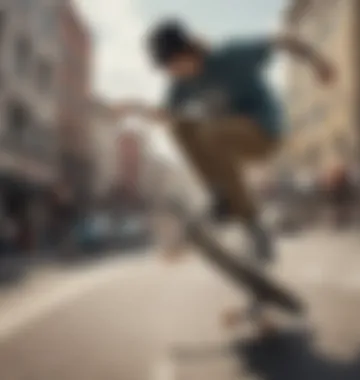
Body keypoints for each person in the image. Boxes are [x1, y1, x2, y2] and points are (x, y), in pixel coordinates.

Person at [135, 19, 335, 332]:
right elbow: (169, 117)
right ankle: (237, 211)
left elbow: (282, 40)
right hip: (227, 138)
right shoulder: (179, 85)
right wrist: (143, 112)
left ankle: (230, 203)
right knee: (182, 125)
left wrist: (317, 61)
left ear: (188, 50)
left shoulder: (233, 54)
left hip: (265, 134)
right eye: (167, 70)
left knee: (210, 131)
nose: (173, 75)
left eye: (173, 65)